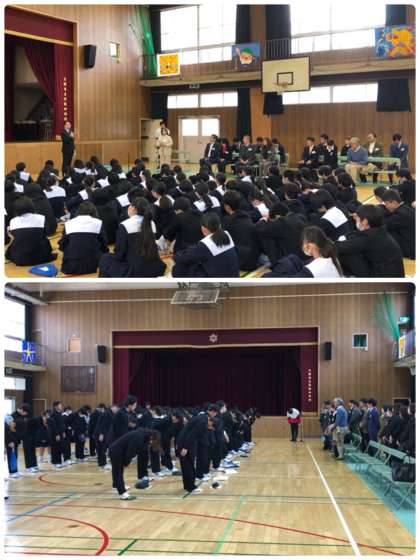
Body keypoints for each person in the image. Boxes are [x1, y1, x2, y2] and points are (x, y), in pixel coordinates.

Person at [99, 198, 166, 278]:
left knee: (105, 258)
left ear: (133, 208)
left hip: (135, 270)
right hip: (155, 267)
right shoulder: (151, 223)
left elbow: (119, 253)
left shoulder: (125, 225)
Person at [336, 204, 404, 277]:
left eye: (357, 218)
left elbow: (339, 246)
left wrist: (339, 240)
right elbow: (356, 235)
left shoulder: (369, 238)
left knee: (348, 253)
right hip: (390, 273)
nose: (355, 219)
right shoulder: (380, 230)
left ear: (365, 222)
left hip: (382, 279)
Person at [172, 212, 240, 278]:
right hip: (234, 276)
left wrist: (175, 256)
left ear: (203, 229)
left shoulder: (207, 244)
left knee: (179, 268)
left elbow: (183, 258)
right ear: (220, 225)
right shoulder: (227, 234)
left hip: (218, 281)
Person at [264, 226, 343, 278]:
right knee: (292, 259)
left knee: (273, 273)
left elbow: (292, 282)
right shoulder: (331, 258)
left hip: (316, 295)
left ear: (309, 246)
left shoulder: (315, 268)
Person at [109, 428, 161, 500]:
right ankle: (123, 494)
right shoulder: (138, 436)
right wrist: (126, 463)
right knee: (118, 472)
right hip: (116, 451)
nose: (152, 442)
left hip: (119, 451)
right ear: (151, 436)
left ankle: (116, 486)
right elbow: (130, 451)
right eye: (153, 440)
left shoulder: (143, 437)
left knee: (117, 472)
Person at [59, 202, 108, 275]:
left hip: (71, 265)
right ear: (94, 212)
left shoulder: (68, 224)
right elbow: (104, 243)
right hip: (94, 264)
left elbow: (62, 245)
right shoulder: (98, 223)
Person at [6, 196, 56, 266]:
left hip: (20, 258)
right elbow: (47, 232)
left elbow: (14, 236)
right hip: (40, 257)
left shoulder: (13, 221)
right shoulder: (41, 218)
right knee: (44, 240)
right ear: (32, 206)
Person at [255, 202, 307, 267]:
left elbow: (260, 229)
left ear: (277, 216)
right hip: (308, 255)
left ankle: (277, 266)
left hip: (296, 262)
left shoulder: (283, 222)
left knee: (266, 235)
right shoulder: (299, 217)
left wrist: (263, 220)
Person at [177, 413, 216, 494]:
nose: (210, 428)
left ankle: (187, 486)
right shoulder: (203, 422)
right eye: (212, 427)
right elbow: (192, 435)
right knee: (189, 465)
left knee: (186, 466)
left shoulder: (202, 417)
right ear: (211, 422)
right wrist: (185, 447)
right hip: (186, 444)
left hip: (184, 442)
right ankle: (191, 487)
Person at [222, 190, 261, 271]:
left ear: (227, 207)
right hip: (255, 258)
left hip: (242, 262)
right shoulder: (247, 216)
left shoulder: (227, 221)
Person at [382, 189, 415, 259]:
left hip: (411, 251)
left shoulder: (400, 215)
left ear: (394, 202)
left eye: (386, 204)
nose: (386, 207)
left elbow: (384, 224)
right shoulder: (406, 207)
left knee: (382, 231)